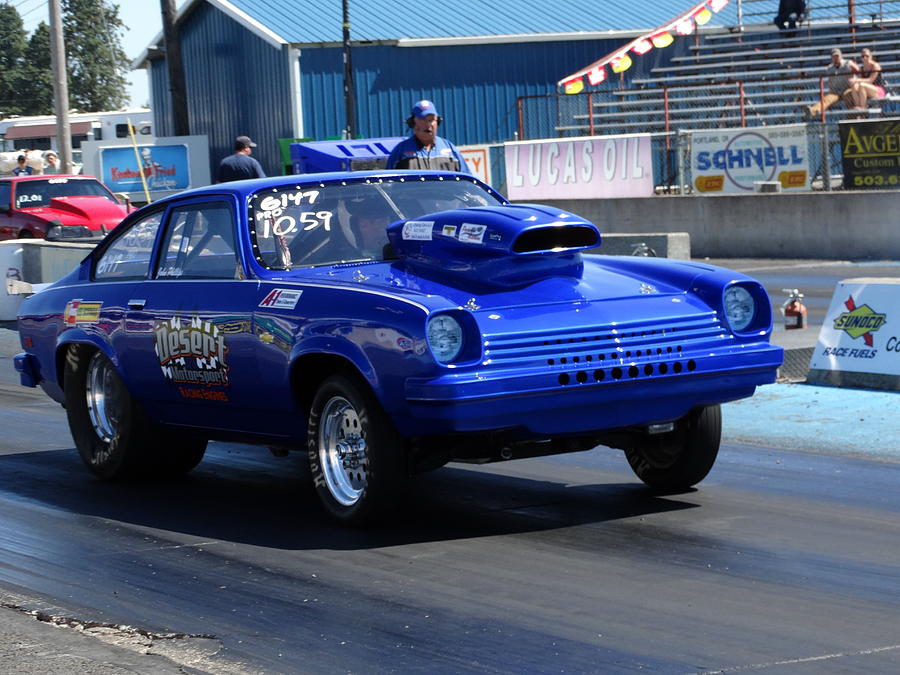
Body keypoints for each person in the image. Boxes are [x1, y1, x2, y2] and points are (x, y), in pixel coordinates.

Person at [386, 100, 470, 173]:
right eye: (424, 120)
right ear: (412, 123)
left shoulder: (450, 150)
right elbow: (388, 184)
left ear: (438, 122)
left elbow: (467, 182)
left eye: (431, 120)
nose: (429, 124)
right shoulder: (401, 151)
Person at [803, 48, 859, 120]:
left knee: (848, 95)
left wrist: (854, 73)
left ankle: (853, 116)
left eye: (837, 56)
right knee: (826, 99)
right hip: (836, 92)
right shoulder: (830, 68)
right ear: (831, 58)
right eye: (834, 57)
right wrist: (830, 90)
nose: (836, 58)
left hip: (847, 89)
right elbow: (830, 80)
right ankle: (812, 111)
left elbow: (857, 70)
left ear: (841, 56)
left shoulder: (847, 63)